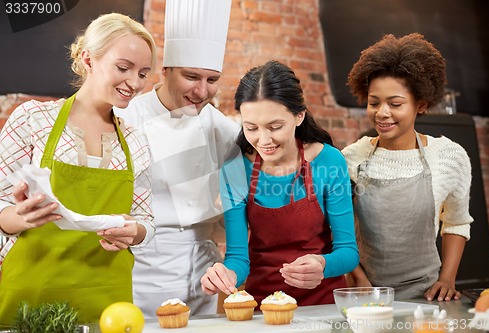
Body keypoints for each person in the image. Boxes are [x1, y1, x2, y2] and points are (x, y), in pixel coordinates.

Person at [0, 13, 156, 324]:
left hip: (109, 305)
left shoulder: (136, 141)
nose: (134, 83)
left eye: (143, 73)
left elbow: (145, 221)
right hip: (31, 302)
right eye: (123, 68)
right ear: (88, 59)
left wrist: (134, 232)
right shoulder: (33, 120)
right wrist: (20, 217)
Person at [114, 0, 239, 318]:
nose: (202, 91)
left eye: (212, 80)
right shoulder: (125, 118)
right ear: (166, 70)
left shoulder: (222, 127)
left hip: (201, 277)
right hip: (136, 272)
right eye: (191, 77)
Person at [200, 60, 359, 306]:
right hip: (264, 306)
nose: (263, 140)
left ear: (299, 116)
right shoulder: (235, 170)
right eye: (251, 128)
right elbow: (238, 258)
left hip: (323, 304)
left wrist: (323, 265)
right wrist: (226, 275)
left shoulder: (329, 161)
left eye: (275, 127)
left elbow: (348, 252)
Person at [341, 33, 473, 302]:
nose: (382, 113)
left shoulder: (449, 156)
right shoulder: (351, 158)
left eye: (395, 103)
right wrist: (358, 278)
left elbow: (457, 222)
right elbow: (333, 227)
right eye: (374, 102)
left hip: (427, 296)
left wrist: (447, 279)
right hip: (365, 294)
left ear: (420, 104)